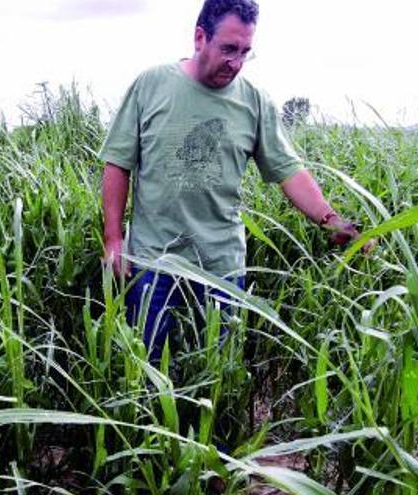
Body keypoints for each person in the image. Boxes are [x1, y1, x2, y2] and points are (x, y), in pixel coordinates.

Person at [100, 0, 370, 364]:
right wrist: (114, 239)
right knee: (144, 371)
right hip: (154, 262)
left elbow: (288, 171)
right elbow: (118, 163)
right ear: (200, 38)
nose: (236, 62)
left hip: (222, 264)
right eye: (228, 48)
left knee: (219, 377)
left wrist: (331, 219)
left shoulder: (254, 102)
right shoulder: (151, 84)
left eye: (245, 52)